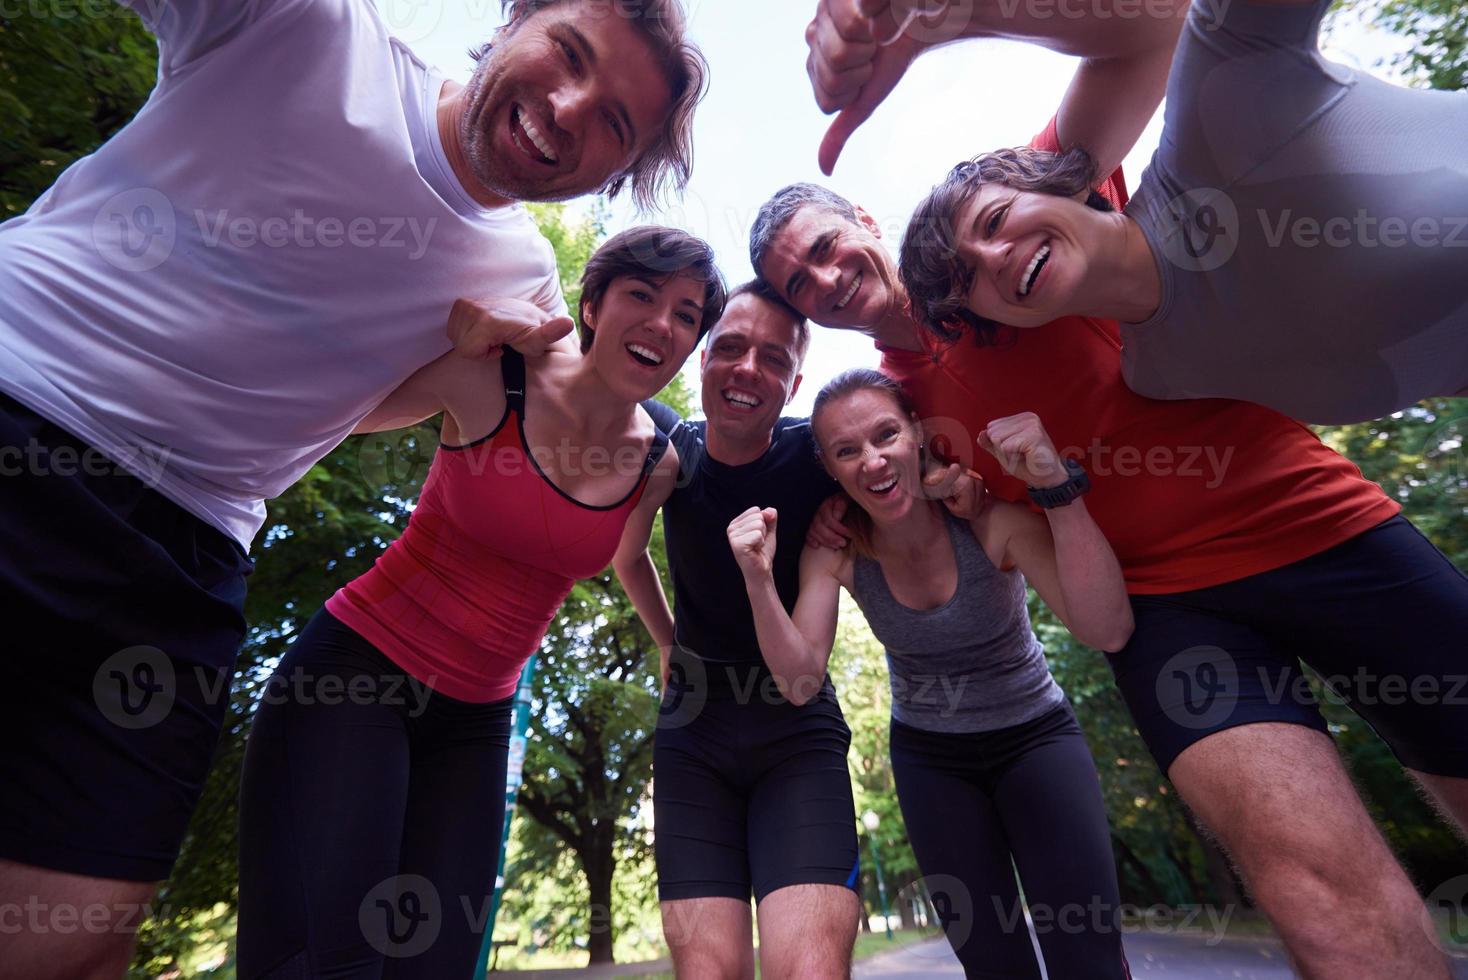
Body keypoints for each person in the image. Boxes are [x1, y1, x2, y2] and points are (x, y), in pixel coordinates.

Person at [0, 0, 707, 974]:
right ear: (516, 17)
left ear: (619, 172)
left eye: (616, 123)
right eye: (569, 52)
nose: (571, 105)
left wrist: (453, 360)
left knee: (71, 942)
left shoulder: (523, 282)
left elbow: (360, 406)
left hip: (185, 549)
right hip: (20, 394)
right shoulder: (309, 31)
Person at [752, 178, 1467, 980]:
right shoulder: (903, 439)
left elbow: (1139, 70)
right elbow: (1089, 616)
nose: (823, 281)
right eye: (797, 288)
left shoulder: (995, 236)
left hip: (1309, 521)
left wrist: (939, 41)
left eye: (823, 249)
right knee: (1316, 897)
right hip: (1170, 610)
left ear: (864, 220)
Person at [236, 226, 725, 978]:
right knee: (329, 957)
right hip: (355, 678)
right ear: (591, 305)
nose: (664, 323)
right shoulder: (495, 376)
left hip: (475, 721)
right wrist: (435, 330)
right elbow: (334, 406)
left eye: (688, 314)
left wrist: (667, 642)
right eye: (642, 295)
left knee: (437, 960)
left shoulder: (658, 458)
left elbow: (626, 553)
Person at [613, 283, 970, 979]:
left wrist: (966, 490)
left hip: (795, 729)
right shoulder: (669, 453)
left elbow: (912, 447)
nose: (749, 369)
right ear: (703, 356)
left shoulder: (821, 455)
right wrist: (665, 642)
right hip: (693, 732)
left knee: (807, 968)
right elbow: (624, 556)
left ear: (794, 382)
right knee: (707, 970)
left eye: (774, 359)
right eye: (733, 348)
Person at [727, 368, 1134, 979]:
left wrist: (1054, 485)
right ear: (829, 467)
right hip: (932, 761)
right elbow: (801, 680)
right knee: (994, 964)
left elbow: (1107, 628)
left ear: (917, 432)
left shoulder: (986, 518)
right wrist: (758, 579)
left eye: (886, 434)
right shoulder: (835, 548)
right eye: (847, 450)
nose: (872, 460)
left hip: (1035, 736)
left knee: (1089, 957)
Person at [896, 0, 1468, 422]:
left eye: (993, 222)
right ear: (1003, 322)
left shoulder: (1218, 117)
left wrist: (946, 15)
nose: (994, 257)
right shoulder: (1163, 378)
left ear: (1058, 183)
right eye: (968, 278)